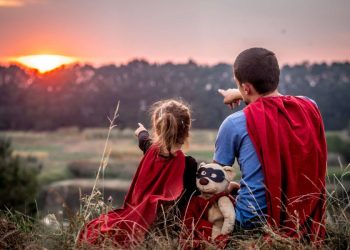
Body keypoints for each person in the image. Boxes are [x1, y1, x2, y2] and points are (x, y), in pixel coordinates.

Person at [214, 48, 327, 242]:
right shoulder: (310, 107)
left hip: (252, 220)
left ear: (246, 87)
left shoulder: (234, 123)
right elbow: (272, 101)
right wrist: (242, 93)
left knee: (203, 205)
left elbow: (215, 180)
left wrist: (242, 93)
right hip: (304, 217)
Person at [78, 99, 198, 247]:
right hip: (169, 229)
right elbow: (194, 196)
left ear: (158, 128)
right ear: (186, 130)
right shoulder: (189, 164)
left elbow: (144, 141)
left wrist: (141, 132)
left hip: (138, 217)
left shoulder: (150, 151)